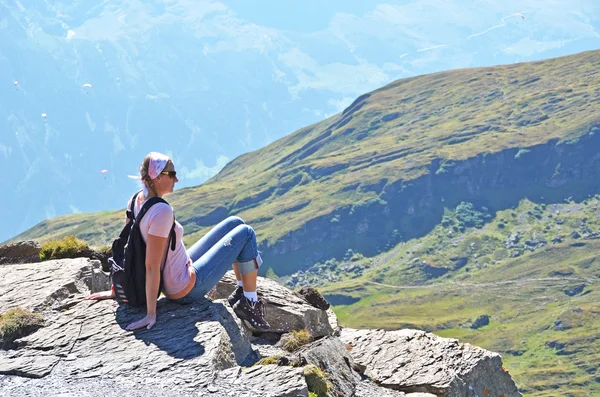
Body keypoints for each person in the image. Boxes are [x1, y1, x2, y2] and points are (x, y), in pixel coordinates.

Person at [86, 152, 269, 331]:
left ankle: (241, 291)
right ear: (157, 177)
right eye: (172, 174)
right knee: (246, 233)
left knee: (235, 223)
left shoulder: (135, 200)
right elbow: (151, 265)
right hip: (183, 288)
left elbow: (125, 247)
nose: (176, 179)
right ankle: (249, 303)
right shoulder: (161, 211)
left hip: (177, 269)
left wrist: (116, 288)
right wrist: (151, 313)